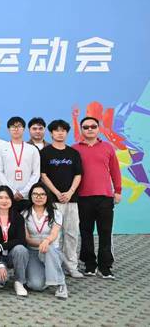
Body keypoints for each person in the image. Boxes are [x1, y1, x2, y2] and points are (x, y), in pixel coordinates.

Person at [72, 116, 122, 279]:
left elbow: (115, 170)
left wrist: (118, 191)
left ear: (98, 129)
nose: (90, 129)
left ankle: (105, 266)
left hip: (105, 197)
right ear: (81, 130)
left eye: (93, 126)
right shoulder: (74, 149)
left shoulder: (108, 147)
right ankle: (89, 265)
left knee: (105, 232)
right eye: (86, 127)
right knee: (85, 232)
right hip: (83, 197)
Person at [40, 119, 84, 278]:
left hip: (71, 201)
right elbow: (43, 175)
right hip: (53, 201)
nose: (60, 133)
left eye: (63, 130)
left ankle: (71, 266)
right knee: (54, 236)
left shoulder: (73, 153)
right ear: (51, 133)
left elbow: (78, 175)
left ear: (67, 133)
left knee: (72, 234)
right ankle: (55, 267)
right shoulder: (45, 152)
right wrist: (57, 193)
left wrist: (70, 192)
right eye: (57, 130)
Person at [22, 184, 68, 299]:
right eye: (35, 194)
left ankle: (61, 283)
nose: (39, 197)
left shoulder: (56, 213)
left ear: (47, 196)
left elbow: (54, 234)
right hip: (33, 251)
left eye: (42, 194)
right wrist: (40, 243)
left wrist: (46, 241)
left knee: (49, 249)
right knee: (36, 285)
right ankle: (50, 271)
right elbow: (27, 239)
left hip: (51, 251)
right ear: (31, 196)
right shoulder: (24, 214)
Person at [0, 186, 29, 296]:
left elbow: (21, 240)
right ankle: (1, 273)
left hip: (13, 254)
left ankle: (19, 282)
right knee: (0, 280)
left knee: (21, 249)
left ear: (11, 200)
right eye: (1, 197)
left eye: (7, 198)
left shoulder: (18, 217)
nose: (4, 201)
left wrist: (0, 247)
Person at [0, 117, 40, 212]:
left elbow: (36, 173)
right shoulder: (1, 149)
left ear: (24, 129)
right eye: (13, 127)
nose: (16, 129)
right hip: (8, 196)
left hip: (27, 196)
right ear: (8, 129)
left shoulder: (32, 149)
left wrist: (24, 192)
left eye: (19, 126)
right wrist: (11, 191)